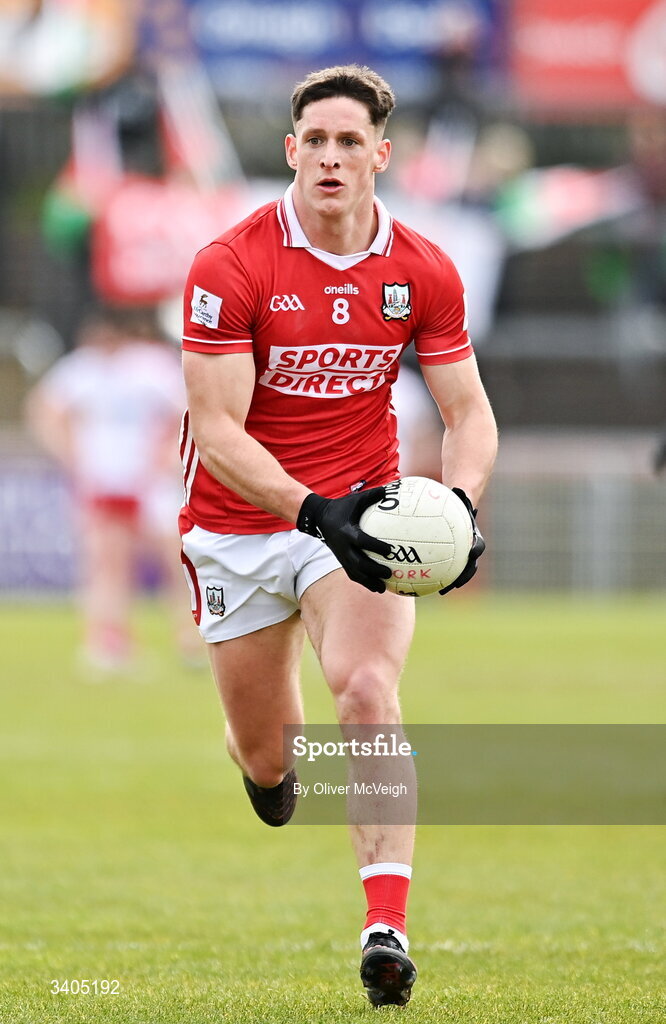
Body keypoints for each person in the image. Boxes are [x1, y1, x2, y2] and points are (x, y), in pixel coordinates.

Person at [180, 65, 497, 1006]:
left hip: (360, 516)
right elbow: (219, 433)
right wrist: (306, 507)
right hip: (239, 527)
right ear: (290, 151)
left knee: (366, 688)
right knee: (271, 760)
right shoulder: (230, 263)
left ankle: (385, 925)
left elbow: (468, 411)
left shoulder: (421, 268)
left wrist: (464, 503)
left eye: (348, 142)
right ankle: (264, 770)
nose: (329, 156)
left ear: (379, 156)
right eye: (314, 140)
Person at [26, 307, 199, 671]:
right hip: (102, 480)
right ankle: (108, 642)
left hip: (149, 481)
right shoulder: (84, 368)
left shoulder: (149, 365)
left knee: (178, 558)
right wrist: (71, 457)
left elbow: (185, 413)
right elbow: (45, 410)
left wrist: (168, 459)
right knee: (106, 561)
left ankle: (191, 637)